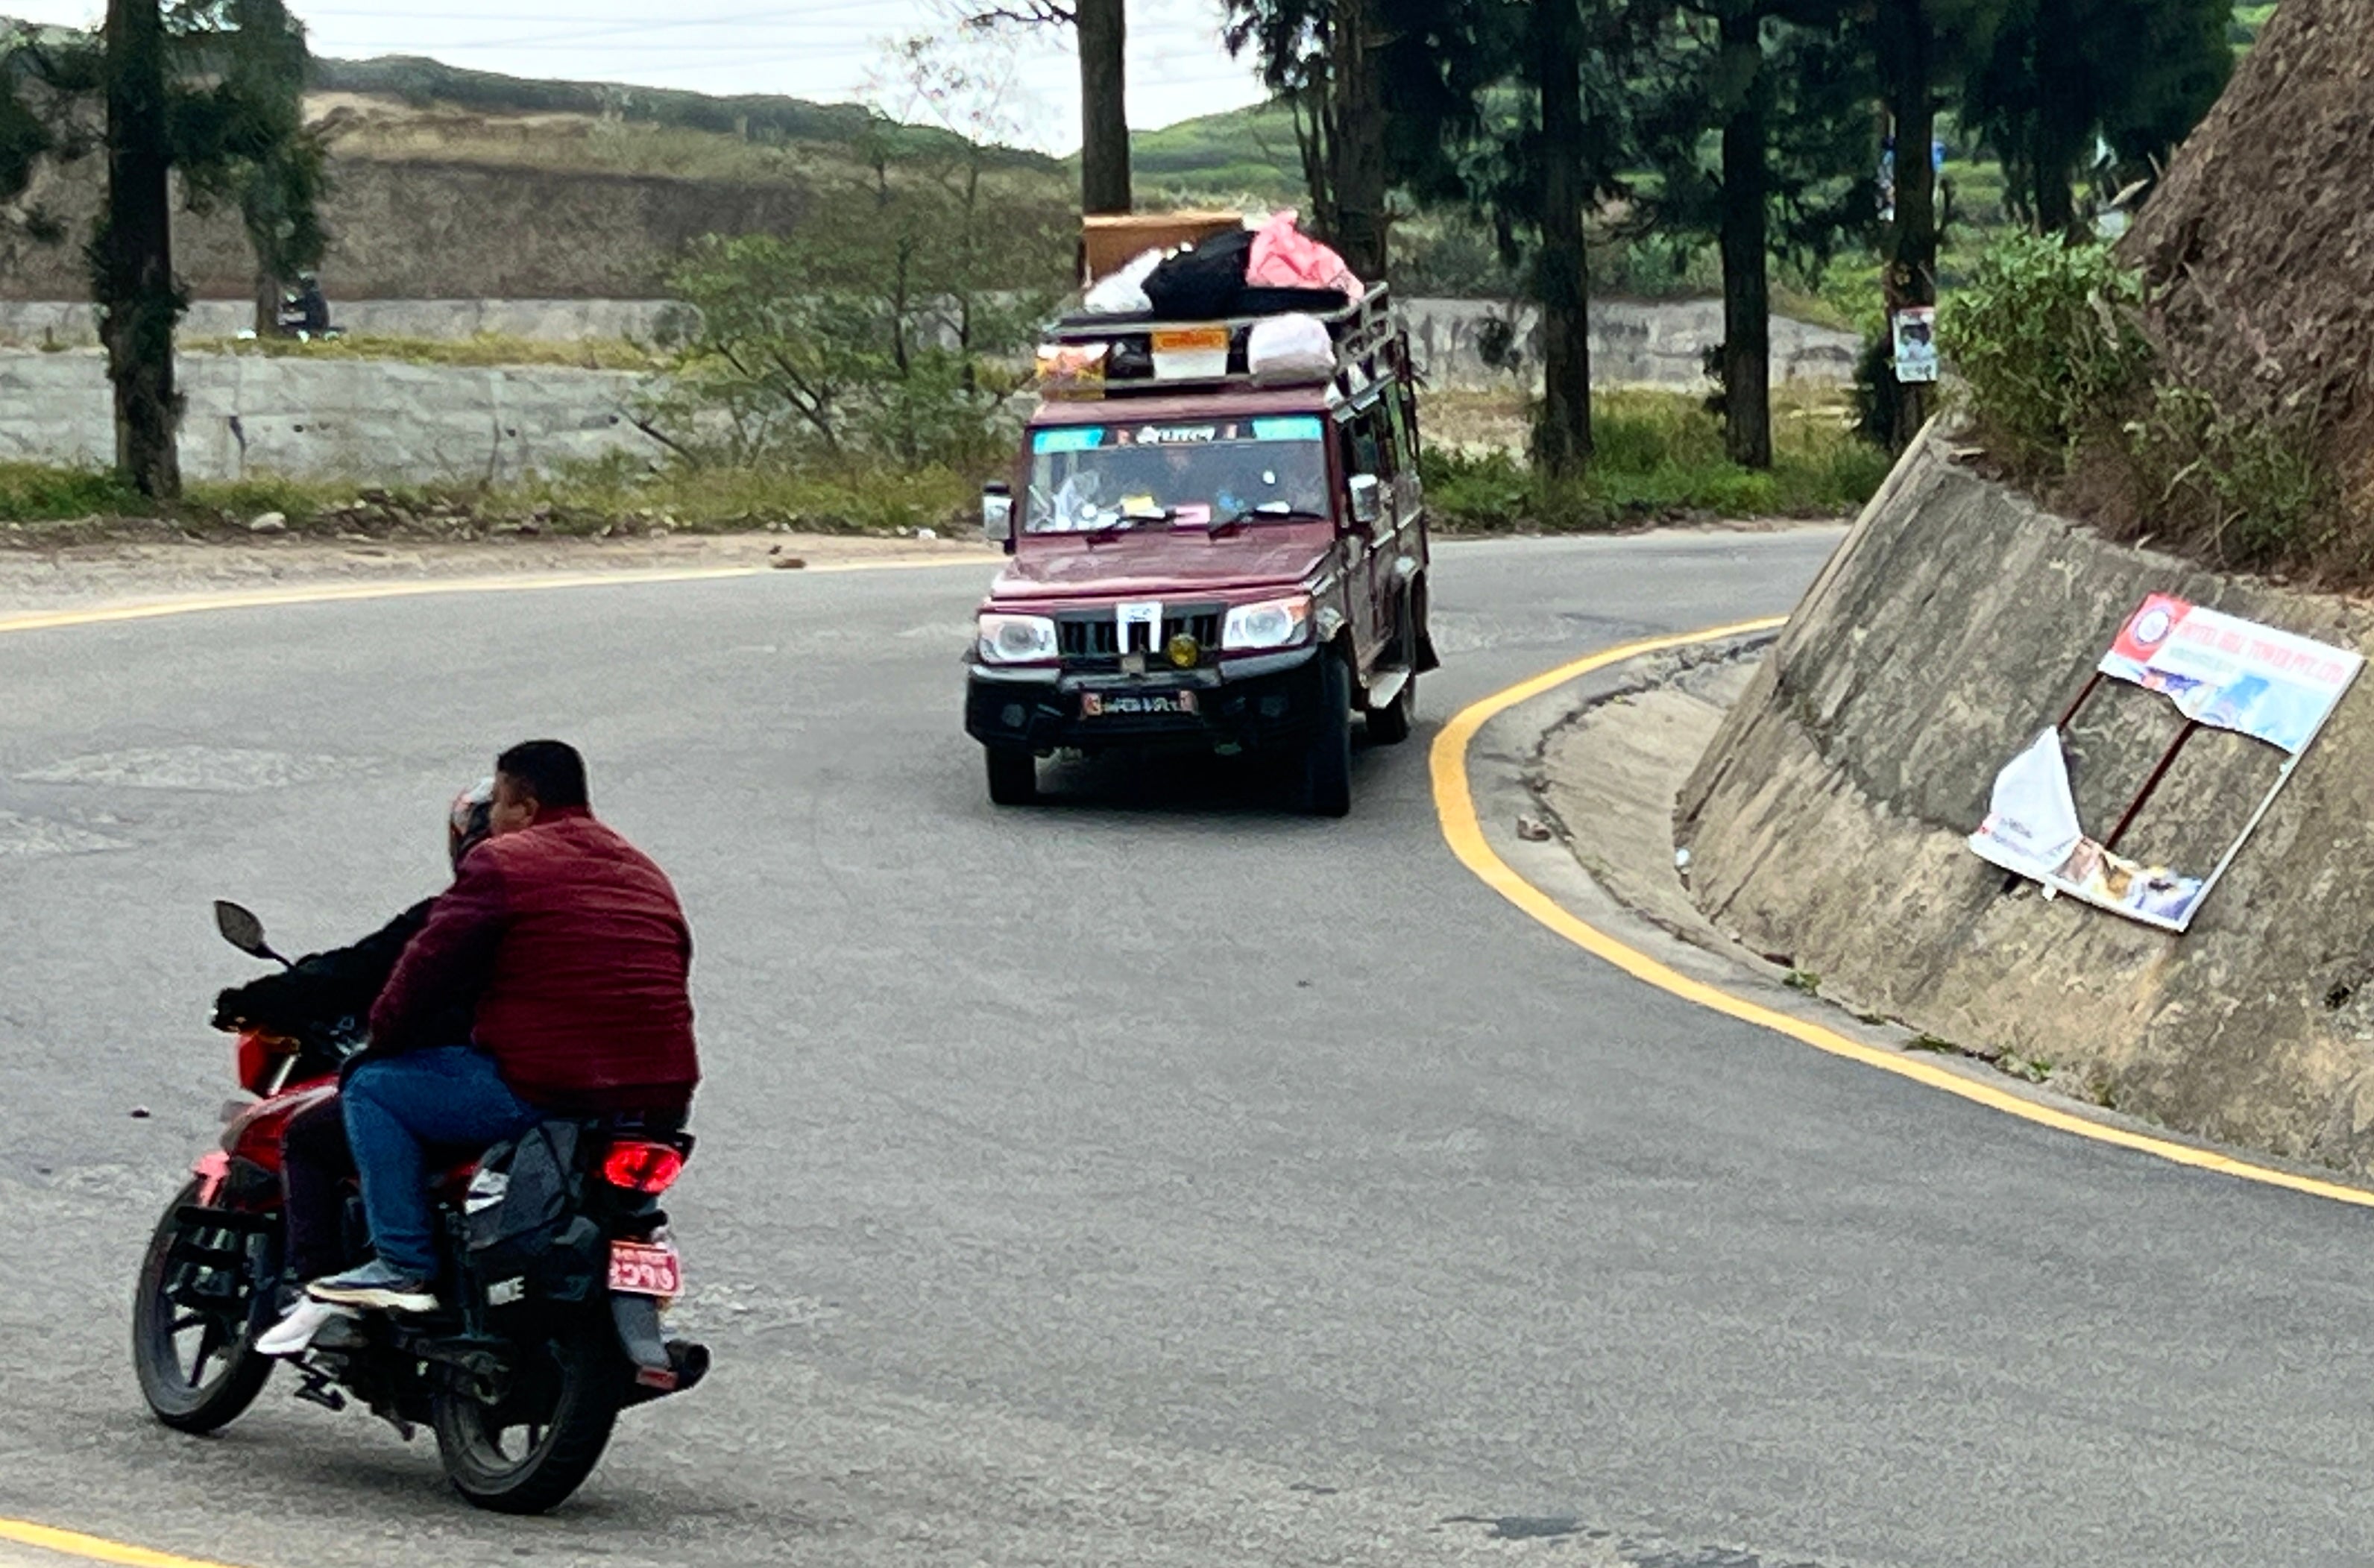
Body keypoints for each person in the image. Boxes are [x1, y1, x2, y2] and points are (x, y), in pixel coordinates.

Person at [306, 740, 701, 1314]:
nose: (490, 818)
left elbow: (427, 966)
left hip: (551, 1087)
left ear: (525, 806)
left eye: (497, 804)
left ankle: (403, 1265)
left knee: (374, 1088)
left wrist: (383, 1038)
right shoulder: (642, 870)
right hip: (660, 1100)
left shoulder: (505, 862)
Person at [214, 780, 497, 1356]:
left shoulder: (461, 912)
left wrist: (261, 998)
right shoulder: (578, 910)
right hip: (593, 1095)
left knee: (317, 1132)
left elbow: (361, 972)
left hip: (482, 1085)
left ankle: (325, 1293)